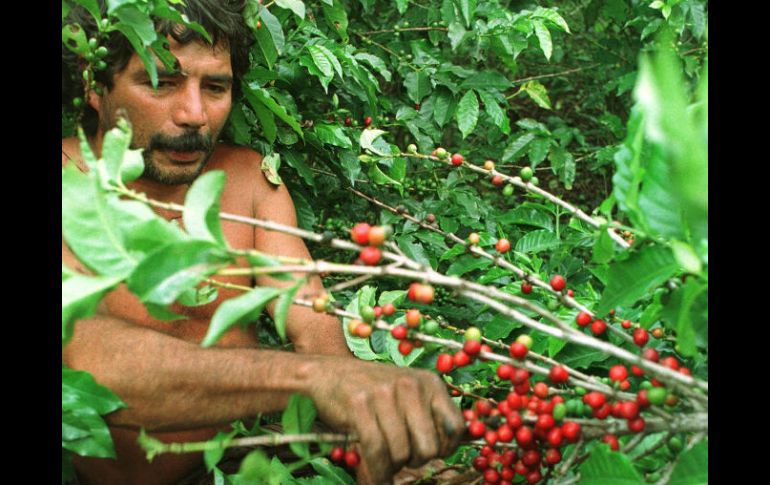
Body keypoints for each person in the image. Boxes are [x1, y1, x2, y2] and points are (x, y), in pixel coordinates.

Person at [61, 2, 464, 484]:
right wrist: (313, 380)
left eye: (215, 88)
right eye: (161, 82)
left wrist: (379, 433)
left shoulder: (249, 181)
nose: (194, 115)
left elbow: (314, 329)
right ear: (93, 85)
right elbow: (89, 365)